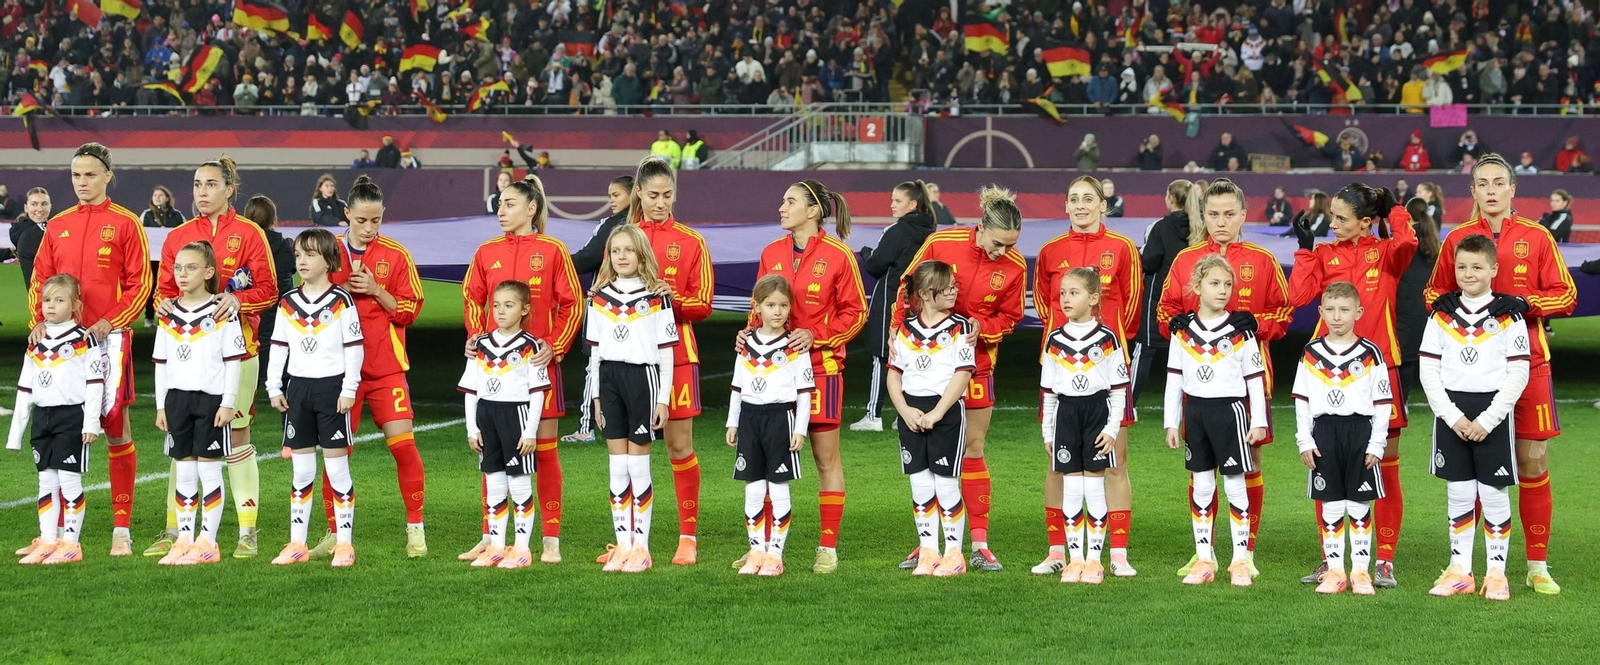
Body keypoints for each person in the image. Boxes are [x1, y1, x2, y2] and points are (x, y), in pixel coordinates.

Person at [1423, 153, 1575, 595]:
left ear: (1513, 188)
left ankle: (1537, 565)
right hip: (1471, 371)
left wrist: (1526, 304)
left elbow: (1566, 294)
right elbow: (1433, 291)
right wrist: (1441, 301)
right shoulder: (1457, 238)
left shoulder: (1538, 236)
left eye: (1498, 183)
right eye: (1483, 184)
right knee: (1469, 467)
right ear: (1472, 191)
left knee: (1532, 462)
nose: (1491, 190)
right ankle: (1463, 566)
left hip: (1528, 365)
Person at [143, 157, 278, 560]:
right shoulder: (178, 236)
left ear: (229, 189)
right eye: (197, 184)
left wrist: (238, 299)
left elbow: (270, 290)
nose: (202, 191)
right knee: (181, 438)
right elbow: (162, 292)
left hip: (238, 354)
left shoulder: (250, 233)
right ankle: (175, 530)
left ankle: (247, 531)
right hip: (188, 357)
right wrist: (163, 304)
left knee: (236, 435)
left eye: (210, 184)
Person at [22, 143, 151, 558]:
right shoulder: (58, 224)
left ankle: (121, 529)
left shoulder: (126, 223)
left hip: (106, 342)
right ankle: (55, 534)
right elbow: (40, 280)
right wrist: (39, 321)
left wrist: (110, 321)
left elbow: (141, 284)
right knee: (59, 428)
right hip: (61, 346)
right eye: (76, 175)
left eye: (91, 174)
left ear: (108, 176)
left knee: (116, 429)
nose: (82, 182)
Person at [1159, 179, 1292, 577]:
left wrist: (1259, 322)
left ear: (1243, 216)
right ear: (1203, 215)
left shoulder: (1263, 260)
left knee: (1249, 462)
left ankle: (1244, 552)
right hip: (1200, 382)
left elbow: (1285, 314)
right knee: (1200, 463)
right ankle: (1205, 553)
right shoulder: (1186, 260)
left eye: (1229, 214)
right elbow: (1165, 310)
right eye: (1213, 214)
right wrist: (1174, 321)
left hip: (1247, 382)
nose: (1221, 222)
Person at [1286, 185, 1416, 588]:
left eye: (1341, 218)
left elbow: (1408, 241)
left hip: (1380, 369)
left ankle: (1384, 560)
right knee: (1325, 463)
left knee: (1384, 466)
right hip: (1327, 373)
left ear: (1366, 222)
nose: (1332, 224)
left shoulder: (1387, 253)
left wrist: (1395, 210)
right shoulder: (1324, 254)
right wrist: (1305, 250)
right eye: (1331, 216)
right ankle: (1332, 560)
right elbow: (1297, 296)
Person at [892, 186, 1027, 573]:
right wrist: (896, 332)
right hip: (925, 365)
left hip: (976, 364)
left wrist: (983, 326)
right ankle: (929, 543)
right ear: (981, 227)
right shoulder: (943, 241)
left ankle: (979, 543)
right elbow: (908, 286)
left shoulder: (1015, 266)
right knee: (925, 451)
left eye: (1011, 245)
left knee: (972, 447)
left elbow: (1012, 317)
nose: (1003, 252)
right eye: (998, 243)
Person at [737, 178, 865, 574]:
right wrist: (747, 332)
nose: (781, 207)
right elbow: (758, 304)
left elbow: (856, 313)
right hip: (771, 375)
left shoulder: (840, 255)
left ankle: (827, 547)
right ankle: (762, 549)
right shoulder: (771, 252)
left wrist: (816, 335)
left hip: (822, 371)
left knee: (826, 460)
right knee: (764, 463)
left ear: (812, 211)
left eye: (790, 202)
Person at [593, 156, 714, 567]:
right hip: (626, 362)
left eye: (667, 195)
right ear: (639, 195)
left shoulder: (691, 241)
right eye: (653, 195)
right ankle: (628, 541)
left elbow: (703, 304)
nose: (661, 203)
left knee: (679, 447)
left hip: (675, 358)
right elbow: (605, 289)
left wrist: (671, 298)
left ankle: (687, 537)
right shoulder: (624, 237)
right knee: (625, 455)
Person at [461, 174, 582, 564]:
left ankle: (550, 540)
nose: (501, 210)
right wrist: (476, 337)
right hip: (495, 372)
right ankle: (491, 538)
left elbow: (573, 303)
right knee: (492, 451)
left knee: (542, 453)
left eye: (509, 204)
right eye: (499, 203)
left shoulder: (552, 250)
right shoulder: (486, 251)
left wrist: (555, 346)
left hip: (537, 370)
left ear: (531, 208)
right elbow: (472, 298)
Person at [1031, 177, 1143, 578]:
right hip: (1062, 370)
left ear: (1102, 205)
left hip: (1105, 372)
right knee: (1057, 463)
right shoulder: (1050, 251)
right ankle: (1057, 551)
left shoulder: (1123, 248)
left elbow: (1131, 311)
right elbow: (1044, 306)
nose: (1081, 205)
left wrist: (1102, 351)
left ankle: (1117, 553)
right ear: (1065, 206)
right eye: (1074, 199)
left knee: (1114, 462)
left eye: (1088, 199)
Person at [1419, 234, 1530, 602]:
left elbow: (1519, 373)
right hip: (1452, 412)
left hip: (1492, 414)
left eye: (1477, 267)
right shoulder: (1441, 314)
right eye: (1462, 266)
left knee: (1494, 492)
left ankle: (1496, 573)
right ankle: (1460, 571)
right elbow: (1428, 370)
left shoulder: (1509, 315)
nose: (1468, 273)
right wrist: (1451, 416)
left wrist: (1488, 419)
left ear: (1494, 269)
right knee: (1459, 491)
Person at [323, 174, 429, 558]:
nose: (369, 228)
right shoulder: (328, 251)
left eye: (376, 221)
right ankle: (334, 534)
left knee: (404, 448)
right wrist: (338, 293)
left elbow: (411, 310)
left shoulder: (396, 255)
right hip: (338, 372)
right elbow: (310, 301)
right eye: (361, 220)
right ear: (346, 214)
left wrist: (376, 290)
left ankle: (416, 529)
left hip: (385, 368)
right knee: (336, 454)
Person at [1163, 256, 1268, 587]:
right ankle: (1204, 559)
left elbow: (1255, 379)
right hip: (1195, 413)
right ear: (1196, 286)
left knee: (1235, 483)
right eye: (1214, 283)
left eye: (1227, 284)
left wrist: (1259, 421)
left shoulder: (1240, 330)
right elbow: (1174, 379)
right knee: (1202, 485)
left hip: (1230, 412)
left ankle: (1240, 561)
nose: (1222, 290)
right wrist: (1171, 422)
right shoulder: (1182, 331)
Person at [265, 229, 365, 568]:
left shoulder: (342, 300)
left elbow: (354, 348)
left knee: (337, 470)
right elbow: (279, 345)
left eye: (310, 254)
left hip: (331, 391)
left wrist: (349, 388)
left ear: (329, 260)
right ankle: (297, 543)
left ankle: (345, 544)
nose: (302, 261)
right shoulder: (288, 301)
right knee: (301, 472)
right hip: (299, 391)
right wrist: (274, 386)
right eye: (298, 255)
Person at [586, 224, 679, 573]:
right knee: (617, 466)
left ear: (641, 254)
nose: (621, 257)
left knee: (638, 466)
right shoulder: (599, 297)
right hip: (610, 380)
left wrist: (663, 399)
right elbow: (595, 353)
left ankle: (642, 546)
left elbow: (666, 352)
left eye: (628, 250)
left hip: (643, 380)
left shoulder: (657, 296)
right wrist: (596, 396)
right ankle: (622, 545)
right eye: (615, 251)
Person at [1292, 281, 1392, 596]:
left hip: (1360, 432)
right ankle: (1335, 571)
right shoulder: (1311, 353)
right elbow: (1302, 401)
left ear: (1358, 312)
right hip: (1324, 433)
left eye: (1344, 310)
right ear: (1320, 312)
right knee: (1331, 504)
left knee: (1359, 504)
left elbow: (1383, 403)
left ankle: (1360, 571)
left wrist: (1377, 443)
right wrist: (1305, 440)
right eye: (1331, 310)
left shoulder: (1371, 353)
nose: (1337, 317)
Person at [152, 241, 245, 566]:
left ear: (208, 272)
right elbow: (161, 363)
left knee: (209, 469)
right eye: (178, 267)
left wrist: (228, 403)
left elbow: (233, 361)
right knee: (184, 471)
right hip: (177, 400)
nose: (182, 274)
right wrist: (161, 406)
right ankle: (184, 539)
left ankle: (208, 541)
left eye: (191, 268)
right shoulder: (168, 314)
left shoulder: (222, 312)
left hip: (211, 401)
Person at [1039, 267, 1130, 584]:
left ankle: (1094, 560)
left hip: (1096, 414)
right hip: (1066, 415)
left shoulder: (1107, 339)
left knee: (1094, 487)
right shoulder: (1054, 340)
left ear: (1093, 299)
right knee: (1072, 488)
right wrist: (1048, 432)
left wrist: (1112, 429)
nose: (1066, 298)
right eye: (1063, 293)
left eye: (1074, 293)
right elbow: (1049, 392)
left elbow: (1118, 391)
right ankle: (1074, 559)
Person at [7, 275, 104, 564]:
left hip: (71, 417)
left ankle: (71, 544)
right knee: (46, 480)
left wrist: (91, 423)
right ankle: (48, 540)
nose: (51, 305)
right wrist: (15, 434)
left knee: (69, 480)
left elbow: (95, 383)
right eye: (47, 300)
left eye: (59, 300)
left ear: (75, 305)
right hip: (43, 417)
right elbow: (25, 387)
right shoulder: (36, 341)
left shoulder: (84, 339)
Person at [888, 260, 976, 577]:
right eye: (946, 286)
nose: (954, 290)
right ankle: (928, 550)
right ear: (925, 294)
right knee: (920, 482)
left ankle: (954, 553)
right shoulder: (903, 330)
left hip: (946, 411)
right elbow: (893, 374)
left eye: (954, 285)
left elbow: (963, 373)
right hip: (911, 411)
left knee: (946, 482)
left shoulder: (961, 328)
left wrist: (938, 411)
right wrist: (904, 410)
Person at [458, 280, 552, 570]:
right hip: (487, 416)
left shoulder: (531, 346)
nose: (500, 311)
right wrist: (472, 428)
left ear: (524, 310)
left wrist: (530, 431)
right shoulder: (480, 345)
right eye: (496, 305)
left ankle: (522, 549)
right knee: (495, 484)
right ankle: (497, 548)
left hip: (516, 417)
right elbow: (471, 390)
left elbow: (537, 392)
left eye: (508, 305)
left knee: (519, 484)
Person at [726, 275, 813, 576]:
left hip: (781, 420)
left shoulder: (795, 345)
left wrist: (800, 429)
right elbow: (737, 387)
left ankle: (775, 554)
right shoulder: (746, 343)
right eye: (771, 305)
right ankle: (756, 550)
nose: (778, 311)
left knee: (778, 488)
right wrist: (732, 422)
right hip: (750, 419)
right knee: (753, 487)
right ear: (757, 307)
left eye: (784, 305)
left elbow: (804, 393)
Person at [855, 181, 937, 432]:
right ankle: (908, 413)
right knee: (912, 356)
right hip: (919, 302)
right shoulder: (931, 230)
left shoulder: (897, 230)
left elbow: (876, 264)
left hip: (891, 298)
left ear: (912, 204)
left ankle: (873, 415)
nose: (892, 205)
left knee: (882, 355)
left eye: (897, 201)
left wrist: (866, 253)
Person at [562, 174, 636, 445]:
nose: (611, 201)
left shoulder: (614, 225)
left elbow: (588, 257)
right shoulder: (643, 226)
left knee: (595, 362)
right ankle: (634, 423)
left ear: (632, 194)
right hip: (637, 308)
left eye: (616, 195)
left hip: (606, 305)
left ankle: (586, 427)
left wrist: (556, 261)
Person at [1132, 180, 1201, 413]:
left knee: (1144, 351)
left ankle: (1127, 407)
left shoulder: (1159, 227)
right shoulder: (1201, 227)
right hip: (1191, 298)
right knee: (1192, 354)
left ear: (1170, 198)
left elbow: (1149, 262)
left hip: (1159, 297)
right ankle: (1191, 406)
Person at [1394, 198, 1443, 408]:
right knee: (1428, 357)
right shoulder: (1434, 239)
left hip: (1404, 303)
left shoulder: (1407, 238)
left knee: (1403, 358)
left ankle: (1400, 403)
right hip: (1426, 305)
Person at [10, 187, 51, 288]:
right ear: (26, 207)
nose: (40, 209)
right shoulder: (28, 234)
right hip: (43, 291)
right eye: (34, 204)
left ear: (50, 206)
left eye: (44, 204)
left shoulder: (48, 227)